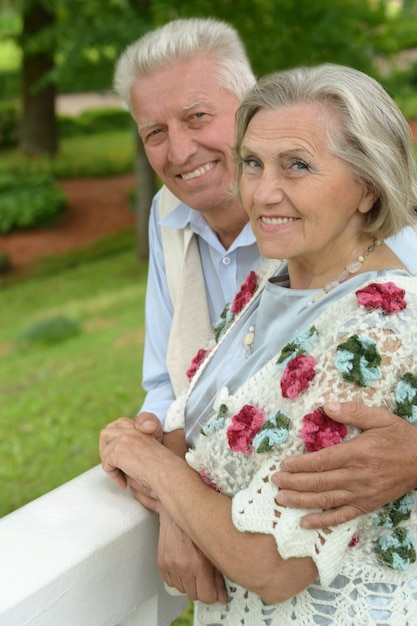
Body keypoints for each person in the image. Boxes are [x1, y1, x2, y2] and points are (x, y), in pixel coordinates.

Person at [101, 64, 417, 624]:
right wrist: (167, 477)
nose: (263, 192)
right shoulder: (271, 282)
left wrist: (139, 454)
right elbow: (191, 435)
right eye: (253, 163)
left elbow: (273, 561)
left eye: (297, 165)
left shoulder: (377, 332)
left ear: (367, 188)